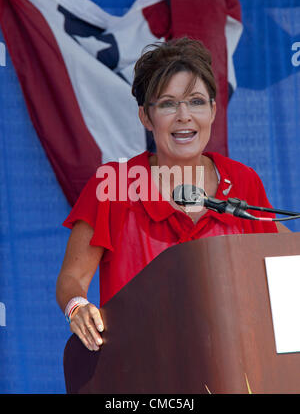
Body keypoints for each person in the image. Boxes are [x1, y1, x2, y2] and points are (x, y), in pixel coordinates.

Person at [56, 37, 289, 352]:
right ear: (145, 117)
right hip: (142, 367)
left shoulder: (242, 180)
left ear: (213, 110)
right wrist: (77, 307)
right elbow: (72, 277)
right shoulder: (113, 183)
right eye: (167, 103)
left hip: (232, 363)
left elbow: (283, 252)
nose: (184, 115)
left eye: (196, 101)